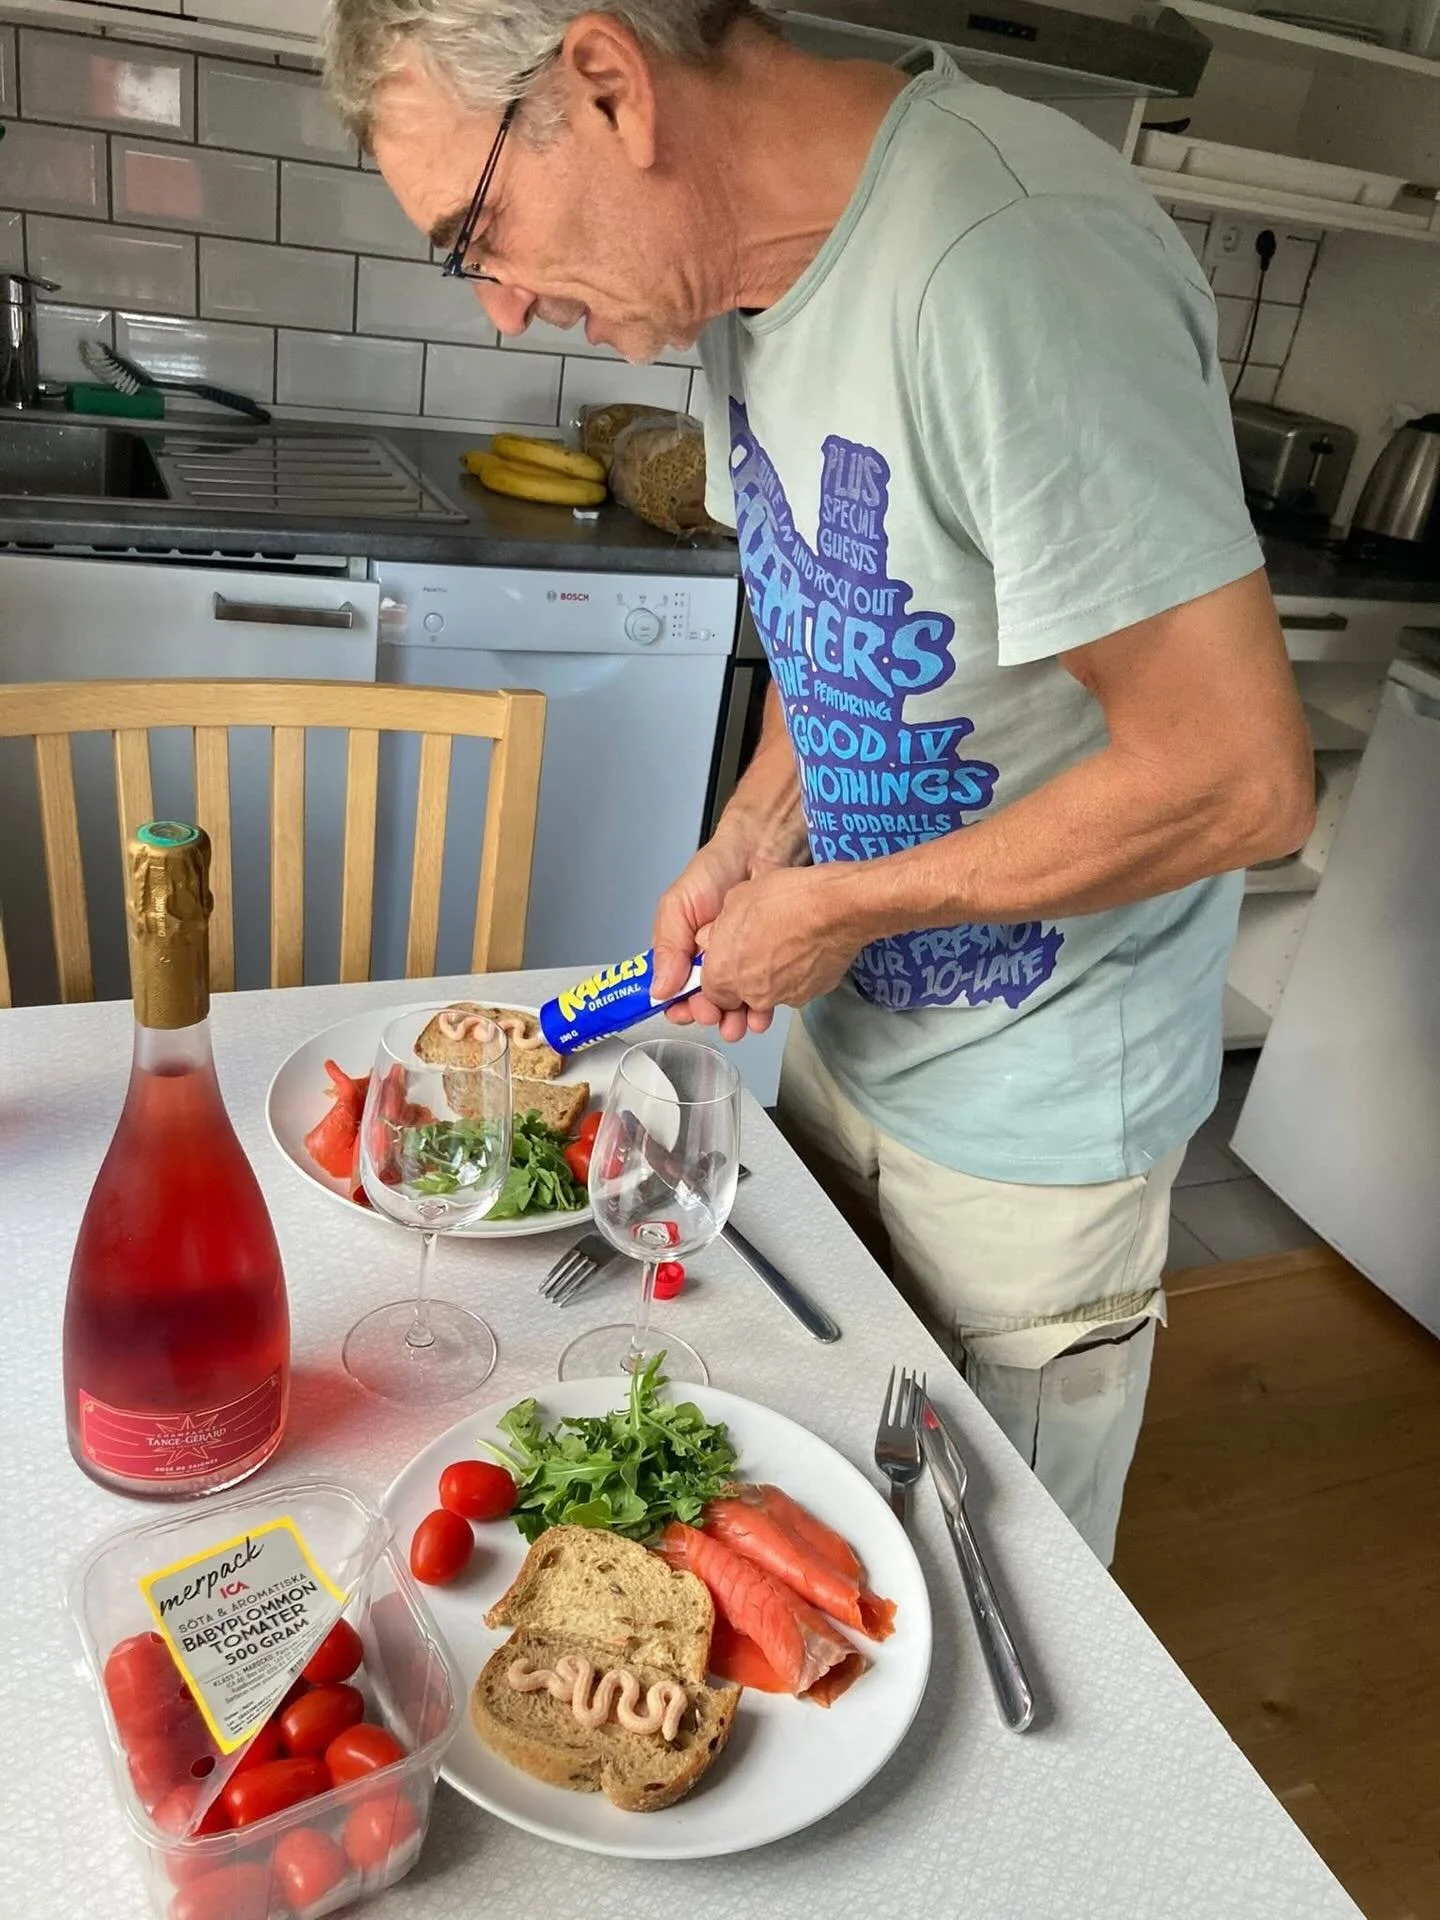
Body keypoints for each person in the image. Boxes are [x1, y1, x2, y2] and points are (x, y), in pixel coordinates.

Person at [327, 0, 1315, 1561]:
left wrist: (847, 902)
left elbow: (1240, 779)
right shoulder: (738, 285)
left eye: (480, 230)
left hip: (1034, 1099)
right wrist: (748, 837)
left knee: (1003, 1594)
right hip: (857, 1041)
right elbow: (828, 621)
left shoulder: (1014, 255)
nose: (503, 307)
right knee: (846, 1535)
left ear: (606, 84)